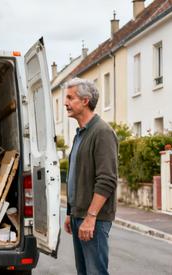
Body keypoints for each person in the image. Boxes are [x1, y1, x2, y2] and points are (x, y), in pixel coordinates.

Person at [62, 78, 118, 275]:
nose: (65, 102)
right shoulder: (81, 134)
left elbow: (107, 180)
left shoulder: (102, 132)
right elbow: (76, 176)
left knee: (95, 272)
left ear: (85, 101)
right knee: (84, 272)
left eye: (70, 98)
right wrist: (71, 212)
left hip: (94, 218)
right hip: (79, 215)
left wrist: (90, 217)